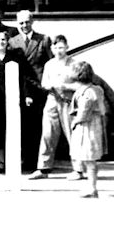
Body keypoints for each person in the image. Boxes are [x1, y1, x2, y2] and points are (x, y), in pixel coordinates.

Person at [0, 27, 39, 172]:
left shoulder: (16, 57)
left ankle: (15, 160)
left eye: (3, 39)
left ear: (7, 42)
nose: (0, 42)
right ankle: (0, 161)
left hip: (11, 99)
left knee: (12, 129)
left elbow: (25, 78)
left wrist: (28, 95)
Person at [28, 35, 84, 181]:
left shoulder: (75, 63)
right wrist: (50, 86)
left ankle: (78, 169)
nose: (58, 50)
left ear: (67, 47)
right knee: (48, 134)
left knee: (72, 135)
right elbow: (44, 83)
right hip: (52, 100)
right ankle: (43, 168)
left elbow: (82, 85)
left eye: (61, 47)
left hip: (68, 101)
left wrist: (66, 86)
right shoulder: (49, 64)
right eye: (56, 47)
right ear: (52, 49)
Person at [9, 9, 53, 170]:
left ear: (32, 22)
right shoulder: (13, 42)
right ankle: (25, 160)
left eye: (27, 22)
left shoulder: (43, 39)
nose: (24, 25)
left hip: (39, 88)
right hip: (21, 88)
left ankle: (40, 161)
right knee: (23, 126)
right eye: (21, 23)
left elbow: (50, 63)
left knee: (39, 126)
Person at [67, 61, 107, 198]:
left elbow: (83, 113)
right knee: (91, 160)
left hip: (87, 128)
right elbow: (102, 110)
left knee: (89, 159)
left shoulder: (86, 92)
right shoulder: (97, 89)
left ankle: (92, 188)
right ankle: (92, 187)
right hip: (96, 125)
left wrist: (74, 123)